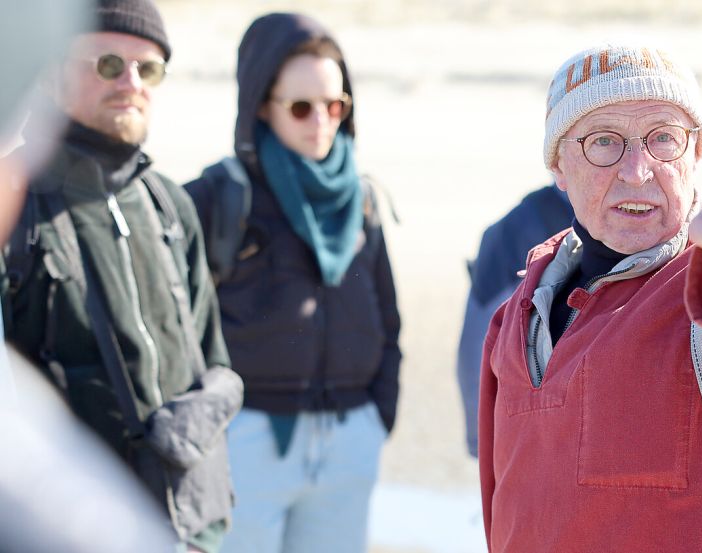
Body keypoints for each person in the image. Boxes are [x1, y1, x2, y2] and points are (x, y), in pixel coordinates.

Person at [477, 42, 702, 552]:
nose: (637, 170)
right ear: (558, 164)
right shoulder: (518, 314)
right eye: (604, 142)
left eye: (663, 139)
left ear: (695, 155)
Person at [0, 1, 241, 552]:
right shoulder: (15, 208)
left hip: (189, 525)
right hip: (68, 528)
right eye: (108, 64)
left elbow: (216, 362)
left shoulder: (170, 206)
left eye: (148, 68)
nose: (131, 82)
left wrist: (189, 429)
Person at [184, 13, 401, 553]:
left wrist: (377, 414)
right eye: (302, 107)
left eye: (335, 105)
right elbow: (177, 326)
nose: (321, 122)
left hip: (349, 438)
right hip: (246, 438)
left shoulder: (361, 199)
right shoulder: (215, 198)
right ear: (262, 104)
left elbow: (387, 317)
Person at [456, 183, 572, 457]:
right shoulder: (517, 229)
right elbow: (479, 345)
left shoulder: (649, 228)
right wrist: (484, 442)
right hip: (535, 445)